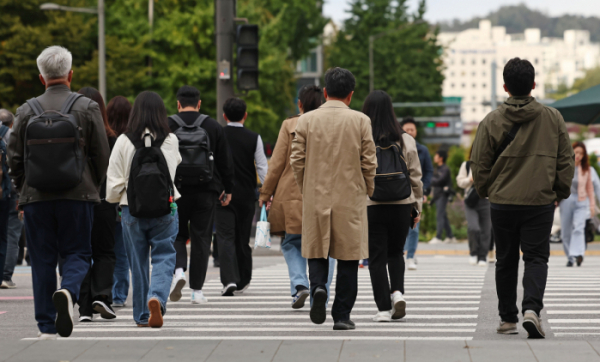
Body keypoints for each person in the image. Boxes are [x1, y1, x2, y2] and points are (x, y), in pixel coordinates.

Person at [8, 46, 110, 339]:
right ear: (71, 74)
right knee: (78, 251)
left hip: (36, 197)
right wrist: (90, 183)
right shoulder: (87, 107)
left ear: (41, 77)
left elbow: (14, 158)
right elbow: (101, 155)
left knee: (41, 258)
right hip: (78, 195)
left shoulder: (26, 110)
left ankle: (46, 326)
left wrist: (22, 187)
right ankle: (68, 290)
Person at [471, 57, 574, 339]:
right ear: (533, 85)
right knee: (537, 258)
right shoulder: (552, 118)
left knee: (505, 259)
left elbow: (479, 163)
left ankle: (507, 319)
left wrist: (486, 191)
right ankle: (532, 310)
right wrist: (560, 191)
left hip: (502, 201)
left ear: (505, 87)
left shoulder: (491, 120)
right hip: (540, 201)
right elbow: (566, 161)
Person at [290, 67, 377, 330]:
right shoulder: (361, 121)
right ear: (350, 95)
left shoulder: (305, 121)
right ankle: (341, 315)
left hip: (316, 194)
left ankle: (318, 288)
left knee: (317, 249)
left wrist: (306, 186)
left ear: (325, 92)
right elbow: (369, 162)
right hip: (350, 196)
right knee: (349, 257)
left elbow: (296, 159)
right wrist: (368, 189)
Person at [106, 91, 181, 328]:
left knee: (137, 263)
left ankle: (140, 315)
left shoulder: (123, 141)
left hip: (131, 210)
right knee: (165, 255)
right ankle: (157, 297)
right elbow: (173, 171)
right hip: (165, 209)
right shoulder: (170, 140)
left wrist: (120, 197)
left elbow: (112, 185)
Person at [258, 85, 335, 309]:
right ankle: (321, 291)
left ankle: (300, 285)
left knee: (292, 242)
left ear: (299, 104)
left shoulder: (290, 125)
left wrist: (265, 193)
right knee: (326, 245)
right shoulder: (330, 124)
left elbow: (277, 164)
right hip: (324, 193)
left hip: (291, 194)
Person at [167, 86, 234, 304]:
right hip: (206, 191)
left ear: (178, 104)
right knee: (201, 238)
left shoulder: (167, 125)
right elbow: (225, 161)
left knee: (176, 234)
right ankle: (196, 291)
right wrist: (228, 189)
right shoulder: (213, 126)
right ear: (199, 103)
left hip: (175, 191)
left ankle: (178, 271)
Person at [363, 90, 423, 322]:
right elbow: (415, 176)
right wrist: (416, 208)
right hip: (401, 203)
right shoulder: (406, 139)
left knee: (376, 257)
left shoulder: (363, 139)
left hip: (372, 203)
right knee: (396, 252)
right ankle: (397, 292)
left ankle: (383, 309)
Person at [216, 97, 267, 296]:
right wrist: (268, 192)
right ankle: (244, 279)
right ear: (245, 115)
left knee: (225, 237)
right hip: (246, 196)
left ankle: (229, 280)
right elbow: (263, 168)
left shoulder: (218, 134)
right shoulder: (254, 137)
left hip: (222, 195)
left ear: (224, 116)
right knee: (243, 239)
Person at [76, 87, 118, 322]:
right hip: (104, 200)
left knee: (80, 251)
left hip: (77, 200)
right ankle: (102, 296)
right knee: (105, 251)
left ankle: (83, 309)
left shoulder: (73, 135)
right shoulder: (111, 137)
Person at [106, 96, 132, 307]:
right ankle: (119, 295)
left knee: (101, 249)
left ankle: (102, 290)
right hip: (125, 201)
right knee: (121, 252)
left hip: (104, 199)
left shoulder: (104, 137)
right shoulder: (130, 140)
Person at [401, 117, 433, 270]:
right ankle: (401, 252)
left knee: (414, 225)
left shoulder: (423, 150)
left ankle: (411, 256)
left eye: (412, 129)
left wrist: (424, 191)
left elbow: (428, 172)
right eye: (406, 129)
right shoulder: (396, 147)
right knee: (400, 225)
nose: (409, 132)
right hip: (399, 192)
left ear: (416, 132)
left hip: (416, 192)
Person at [560, 142, 595, 267]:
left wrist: (592, 206)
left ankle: (578, 254)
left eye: (581, 153)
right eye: (576, 152)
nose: (578, 155)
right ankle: (570, 257)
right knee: (566, 231)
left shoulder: (586, 168)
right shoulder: (564, 165)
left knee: (579, 228)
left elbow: (590, 189)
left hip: (581, 200)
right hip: (566, 200)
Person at [457, 149, 491, 266]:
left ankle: (483, 256)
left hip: (486, 201)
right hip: (471, 202)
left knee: (486, 230)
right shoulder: (466, 165)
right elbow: (459, 182)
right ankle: (473, 253)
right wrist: (469, 180)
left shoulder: (491, 164)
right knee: (473, 228)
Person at [1, 109, 21, 289]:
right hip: (12, 193)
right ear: (12, 123)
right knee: (12, 234)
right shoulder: (13, 138)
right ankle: (5, 276)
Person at [429, 150, 456, 244]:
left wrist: (430, 179)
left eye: (436, 155)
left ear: (441, 157)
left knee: (440, 215)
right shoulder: (437, 168)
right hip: (437, 195)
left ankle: (438, 237)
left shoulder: (445, 169)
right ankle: (450, 236)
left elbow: (439, 181)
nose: (434, 157)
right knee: (443, 216)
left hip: (443, 195)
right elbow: (435, 181)